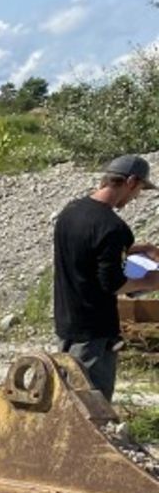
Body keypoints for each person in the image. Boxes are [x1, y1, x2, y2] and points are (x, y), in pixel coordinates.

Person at [52, 154, 159, 401]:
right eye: (139, 190)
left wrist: (136, 248)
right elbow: (113, 283)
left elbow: (86, 252)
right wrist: (153, 280)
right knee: (91, 407)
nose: (136, 198)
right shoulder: (113, 227)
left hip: (67, 323)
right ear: (131, 181)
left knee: (65, 401)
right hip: (94, 333)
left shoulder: (71, 212)